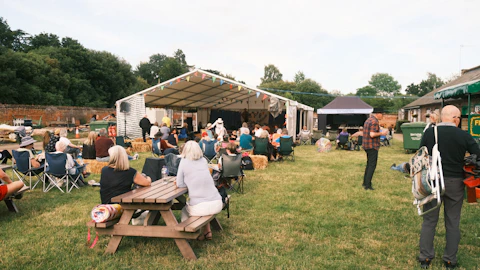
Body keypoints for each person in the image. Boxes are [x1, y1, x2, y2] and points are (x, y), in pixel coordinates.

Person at [417, 105, 480, 269]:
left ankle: (425, 258)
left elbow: (421, 153)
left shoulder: (430, 132)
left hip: (433, 181)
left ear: (441, 117)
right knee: (453, 222)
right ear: (456, 119)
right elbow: (477, 154)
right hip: (454, 182)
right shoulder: (463, 135)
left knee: (429, 220)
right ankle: (450, 259)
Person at [175, 141, 223, 241]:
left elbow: (179, 184)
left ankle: (187, 234)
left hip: (200, 206)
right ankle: (207, 231)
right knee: (202, 208)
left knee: (185, 210)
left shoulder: (184, 162)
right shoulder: (203, 160)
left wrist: (188, 183)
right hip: (217, 203)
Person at [362, 108, 388, 191]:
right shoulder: (374, 121)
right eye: (382, 114)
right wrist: (382, 133)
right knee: (372, 165)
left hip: (366, 145)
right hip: (372, 146)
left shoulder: (368, 120)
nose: (383, 116)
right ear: (378, 113)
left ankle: (365, 182)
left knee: (369, 164)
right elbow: (372, 134)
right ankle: (368, 185)